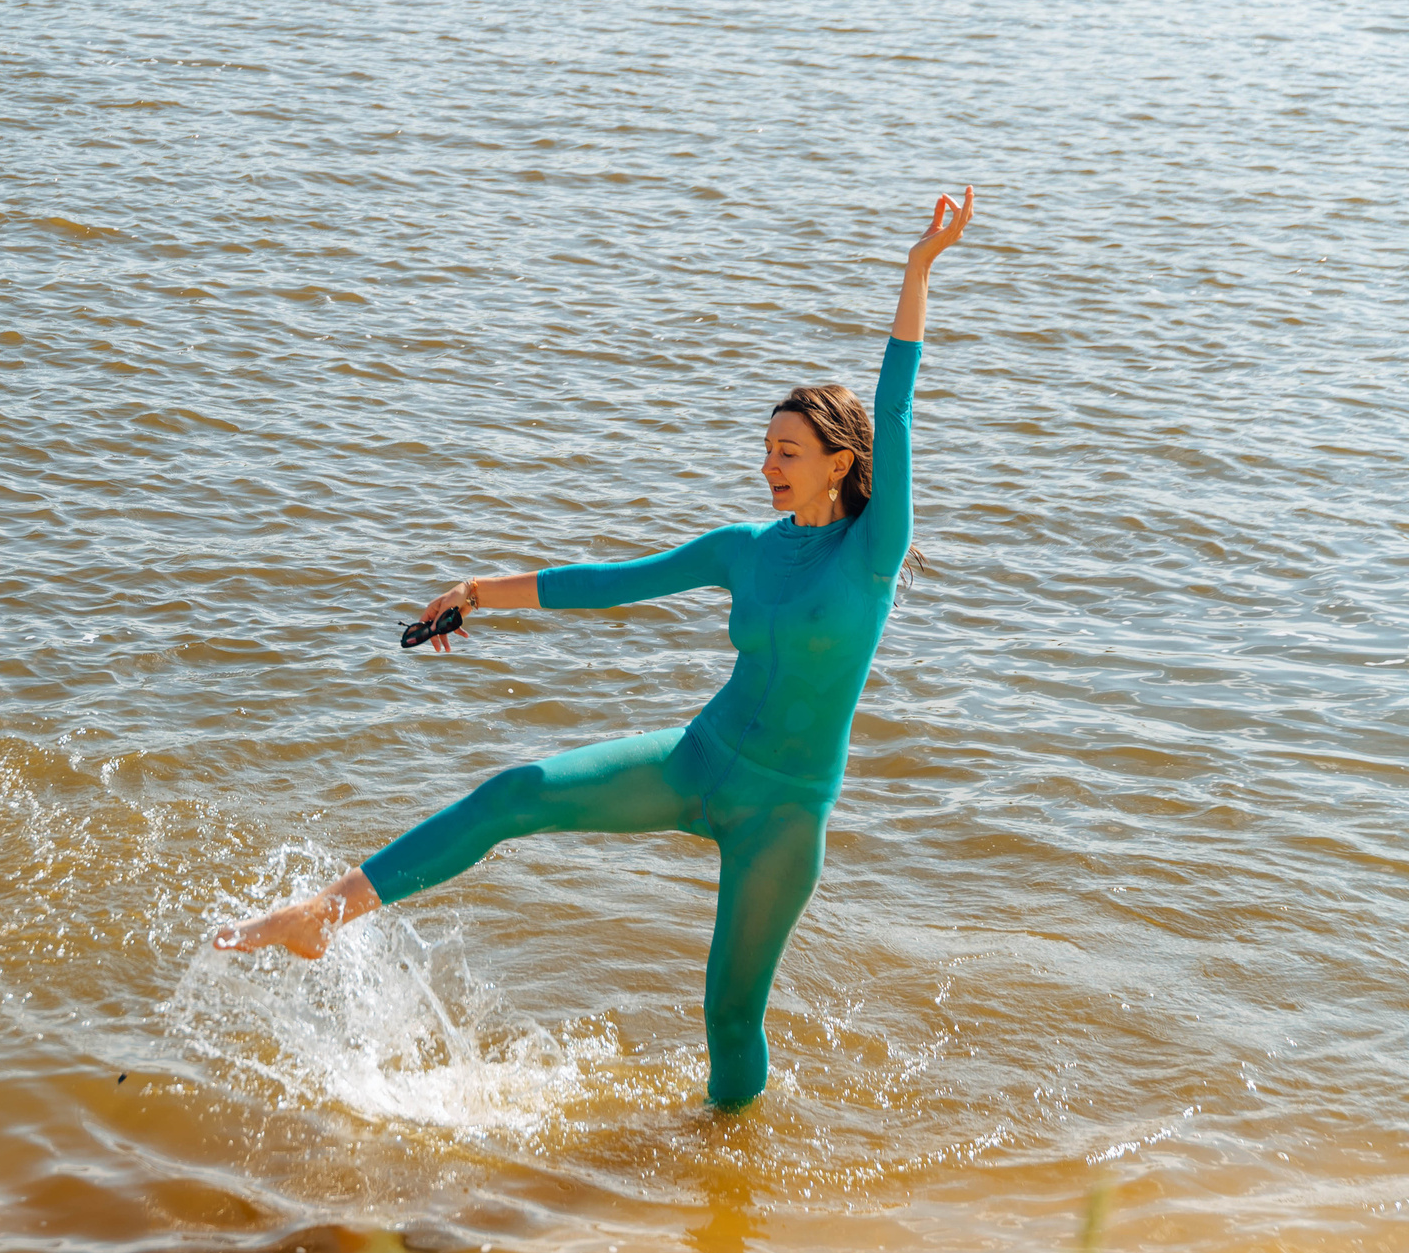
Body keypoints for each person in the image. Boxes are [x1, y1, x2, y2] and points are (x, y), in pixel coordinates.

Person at [216, 189, 977, 1109]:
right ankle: (321, 913)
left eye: (786, 450)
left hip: (784, 816)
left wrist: (917, 269)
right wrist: (477, 593)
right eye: (765, 447)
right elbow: (615, 579)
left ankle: (721, 1177)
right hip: (700, 762)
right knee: (517, 792)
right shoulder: (744, 549)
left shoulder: (872, 555)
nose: (767, 465)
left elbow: (894, 411)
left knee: (731, 1018)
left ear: (838, 462)